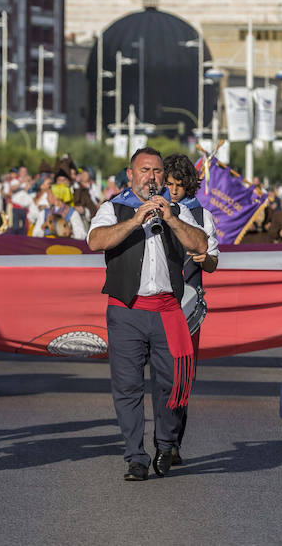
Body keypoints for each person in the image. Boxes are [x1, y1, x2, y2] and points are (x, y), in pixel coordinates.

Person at [88, 147, 208, 481]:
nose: (151, 177)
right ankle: (135, 457)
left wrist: (170, 217)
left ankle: (166, 443)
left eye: (156, 171)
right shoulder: (113, 208)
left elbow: (201, 245)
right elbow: (96, 241)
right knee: (127, 388)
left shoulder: (179, 210)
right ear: (130, 175)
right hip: (126, 309)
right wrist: (135, 220)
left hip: (167, 309)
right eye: (144, 170)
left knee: (171, 386)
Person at [161, 153, 218, 466]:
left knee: (182, 377)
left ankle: (172, 442)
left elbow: (213, 261)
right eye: (168, 184)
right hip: (157, 302)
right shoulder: (153, 208)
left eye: (179, 185)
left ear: (189, 186)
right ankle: (162, 438)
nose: (173, 191)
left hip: (188, 306)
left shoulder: (202, 215)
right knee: (161, 377)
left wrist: (204, 259)